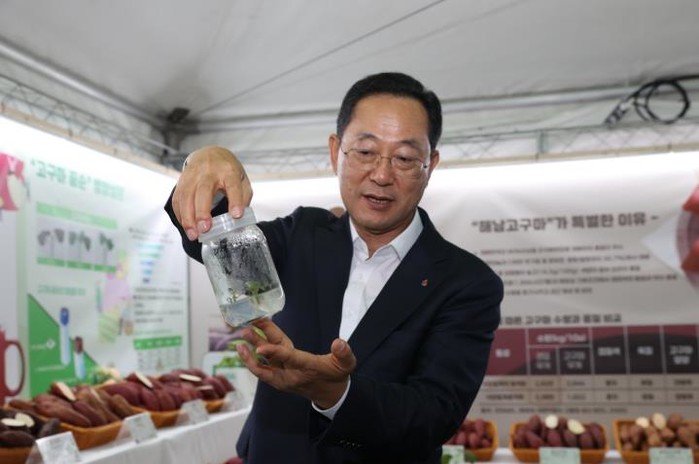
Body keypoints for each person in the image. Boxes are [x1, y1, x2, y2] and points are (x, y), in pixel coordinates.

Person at [165, 72, 503, 464]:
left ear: (431, 165)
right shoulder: (302, 235)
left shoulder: (466, 283)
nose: (381, 175)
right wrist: (206, 163)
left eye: (405, 158)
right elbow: (212, 241)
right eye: (365, 151)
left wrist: (336, 394)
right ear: (335, 152)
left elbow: (434, 413)